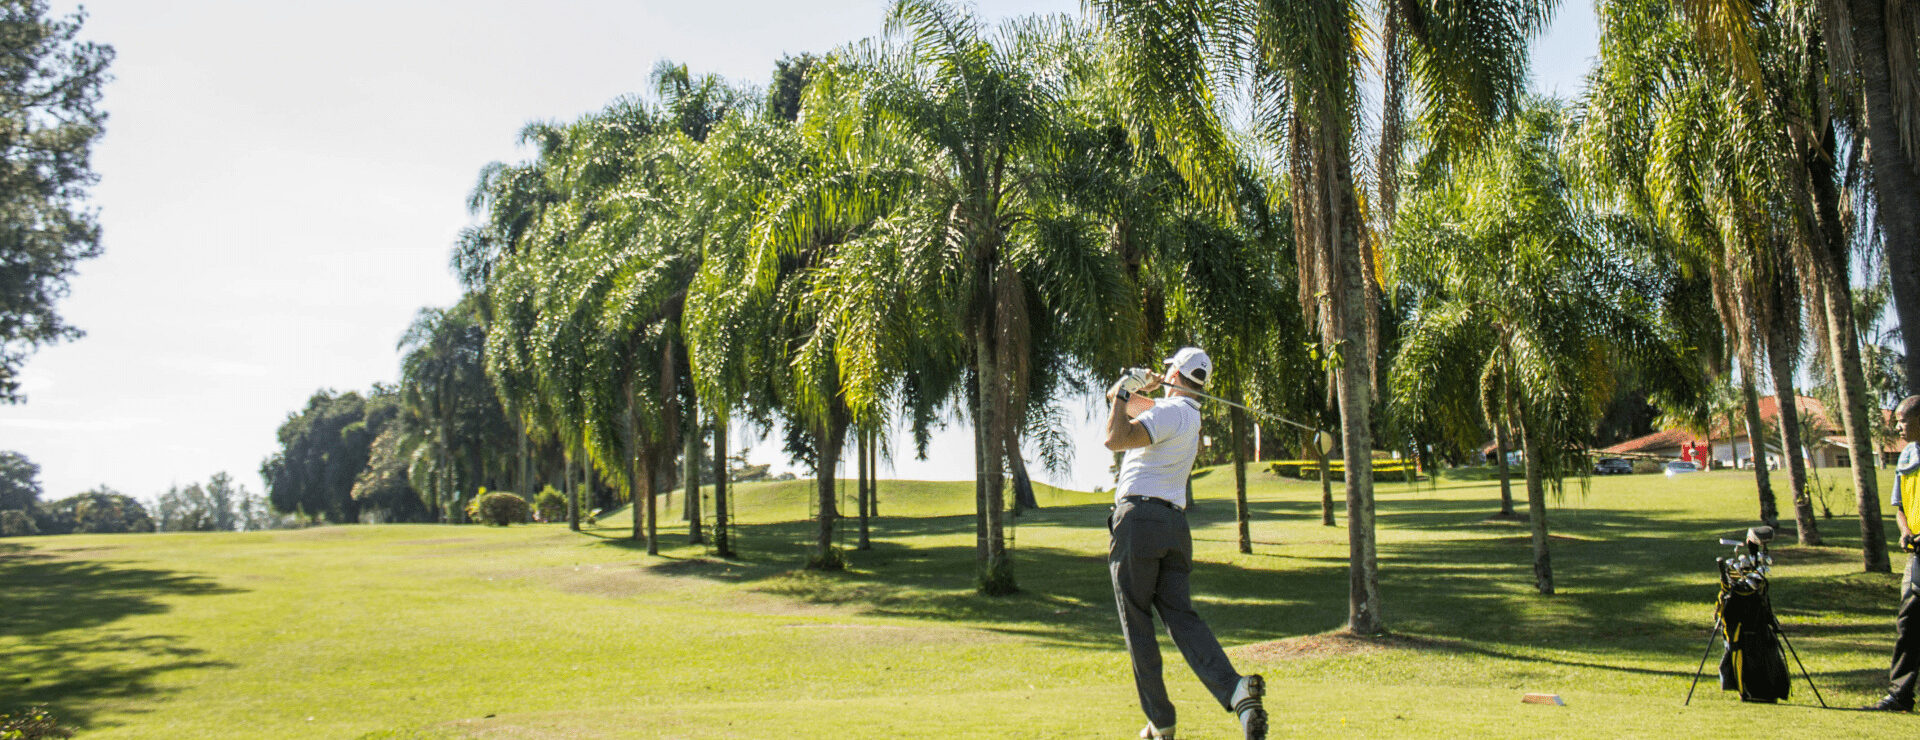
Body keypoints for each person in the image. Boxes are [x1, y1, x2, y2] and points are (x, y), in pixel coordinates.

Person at [1102, 347, 1266, 740]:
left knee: (1137, 623)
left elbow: (1114, 438)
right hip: (1174, 528)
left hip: (1139, 522)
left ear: (1175, 372)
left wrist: (1129, 390)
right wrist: (1129, 388)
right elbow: (1117, 401)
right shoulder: (1186, 416)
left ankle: (1160, 722)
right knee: (1181, 618)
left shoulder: (1167, 412)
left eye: (1167, 370)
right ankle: (1236, 690)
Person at [1868, 395, 1920, 711]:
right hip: (1917, 556)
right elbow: (1899, 505)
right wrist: (1904, 531)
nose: (1897, 426)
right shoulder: (1906, 457)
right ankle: (1901, 693)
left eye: (1903, 420)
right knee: (1909, 622)